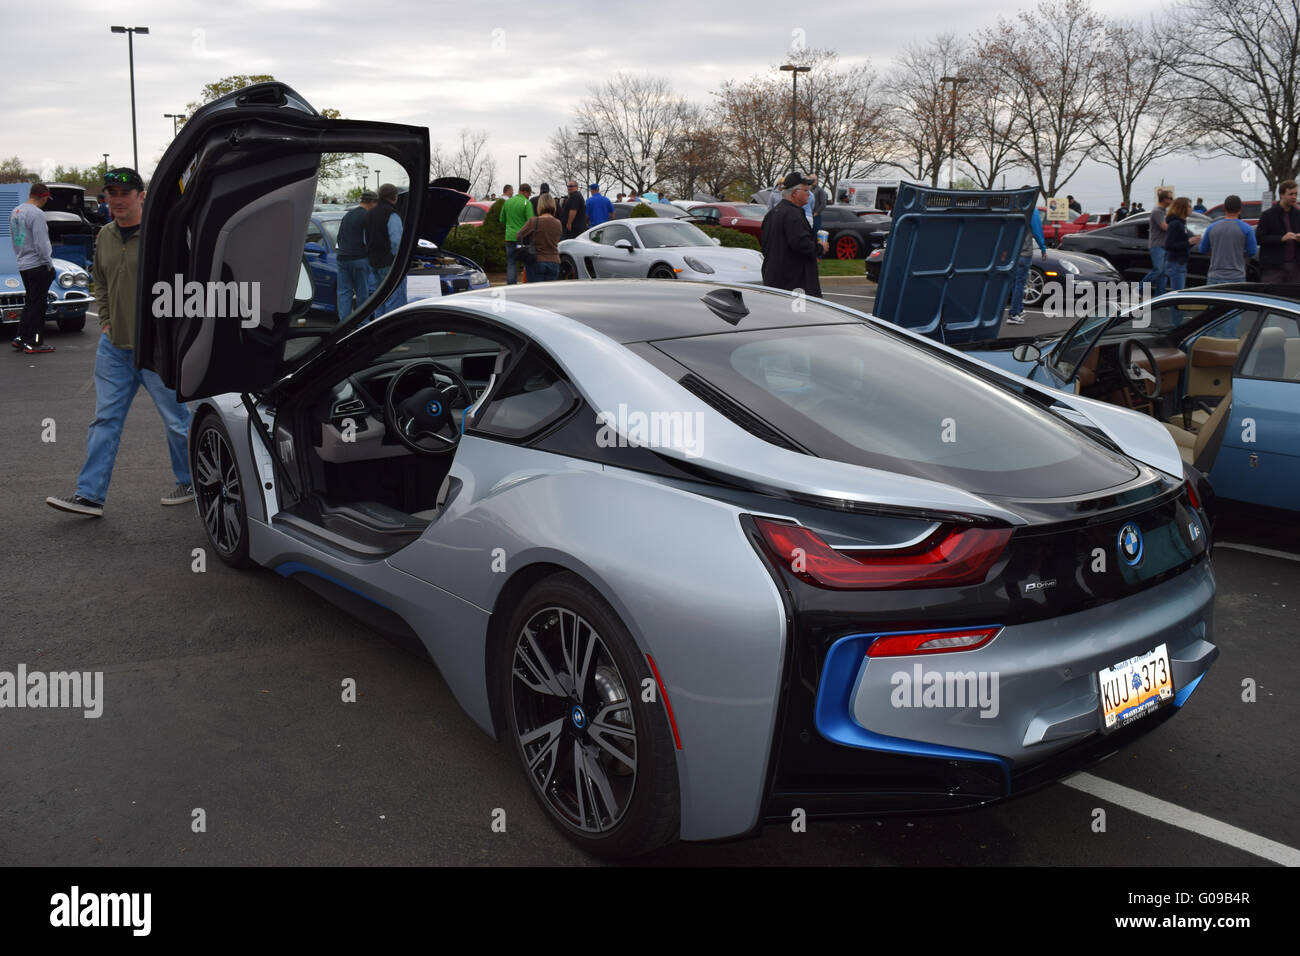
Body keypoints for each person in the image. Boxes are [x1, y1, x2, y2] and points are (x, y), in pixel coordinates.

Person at [46, 168, 194, 517]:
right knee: (105, 420)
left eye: (124, 194)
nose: (117, 200)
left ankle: (191, 481)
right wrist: (107, 318)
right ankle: (90, 496)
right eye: (111, 194)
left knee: (177, 421)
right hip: (115, 349)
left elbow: (188, 284)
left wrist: (172, 330)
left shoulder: (162, 236)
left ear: (142, 196)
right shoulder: (106, 236)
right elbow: (98, 277)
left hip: (156, 349)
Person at [760, 172, 828, 297]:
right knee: (800, 316)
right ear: (795, 193)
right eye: (806, 190)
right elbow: (801, 244)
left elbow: (764, 245)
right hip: (795, 284)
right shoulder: (793, 215)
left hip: (774, 280)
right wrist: (820, 248)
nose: (809, 194)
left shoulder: (772, 213)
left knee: (780, 315)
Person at [9, 182, 56, 353]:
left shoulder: (15, 212)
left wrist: (20, 257)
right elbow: (41, 242)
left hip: (23, 263)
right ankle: (35, 342)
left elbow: (16, 240)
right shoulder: (37, 214)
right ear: (44, 197)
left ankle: (21, 337)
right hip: (38, 264)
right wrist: (48, 263)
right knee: (38, 305)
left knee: (30, 302)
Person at [1007, 191, 1048, 325]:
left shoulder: (1012, 208)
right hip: (1024, 252)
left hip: (1011, 252)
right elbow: (1037, 231)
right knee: (1020, 283)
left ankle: (1018, 308)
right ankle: (1014, 313)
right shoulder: (1032, 210)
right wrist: (1043, 248)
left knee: (1013, 283)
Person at [1198, 194, 1258, 284]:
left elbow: (1202, 249)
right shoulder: (1247, 229)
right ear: (1240, 210)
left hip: (1215, 275)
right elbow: (1252, 251)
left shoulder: (1212, 227)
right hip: (1237, 276)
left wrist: (1216, 252)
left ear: (1224, 209)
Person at [335, 190, 377, 318]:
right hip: (359, 258)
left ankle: (344, 323)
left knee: (344, 292)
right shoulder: (368, 216)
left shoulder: (347, 215)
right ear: (372, 202)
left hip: (342, 258)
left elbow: (339, 238)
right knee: (362, 293)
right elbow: (369, 240)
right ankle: (362, 323)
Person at [365, 183, 405, 317]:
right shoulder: (392, 214)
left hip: (374, 262)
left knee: (379, 300)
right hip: (390, 264)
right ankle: (392, 331)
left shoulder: (370, 214)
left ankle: (378, 328)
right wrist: (399, 260)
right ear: (395, 196)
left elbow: (365, 239)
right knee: (394, 300)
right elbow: (396, 242)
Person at [1256, 179, 1300, 283]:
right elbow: (1260, 238)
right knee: (1271, 297)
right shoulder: (1268, 215)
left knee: (1294, 298)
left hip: (1295, 267)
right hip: (1273, 268)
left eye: (1296, 194)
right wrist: (1281, 238)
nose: (1294, 197)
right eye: (1291, 194)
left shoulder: (1298, 215)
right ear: (1281, 194)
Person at [515, 193, 563, 281]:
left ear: (540, 205)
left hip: (536, 260)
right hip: (554, 261)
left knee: (535, 292)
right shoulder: (558, 223)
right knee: (550, 292)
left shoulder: (534, 221)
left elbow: (518, 235)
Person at [1139, 189, 1172, 297]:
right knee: (1158, 270)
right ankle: (1138, 289)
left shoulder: (1164, 212)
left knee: (1163, 273)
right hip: (1157, 246)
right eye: (1170, 198)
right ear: (1164, 199)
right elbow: (1164, 227)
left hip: (1165, 246)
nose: (1172, 200)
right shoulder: (1157, 211)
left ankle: (1160, 295)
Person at [503, 183, 534, 284]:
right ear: (524, 192)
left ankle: (511, 286)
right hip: (522, 238)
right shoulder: (526, 203)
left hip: (509, 237)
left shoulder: (508, 202)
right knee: (527, 262)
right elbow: (531, 222)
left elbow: (502, 219)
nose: (529, 196)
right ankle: (528, 284)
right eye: (529, 194)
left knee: (511, 263)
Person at [1164, 196, 1193, 292]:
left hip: (1181, 263)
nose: (1191, 208)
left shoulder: (1181, 223)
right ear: (1182, 208)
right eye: (1189, 206)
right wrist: (1188, 242)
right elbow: (1169, 245)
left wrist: (1191, 242)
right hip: (1176, 263)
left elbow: (1182, 243)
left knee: (1179, 293)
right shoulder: (1175, 224)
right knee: (1177, 294)